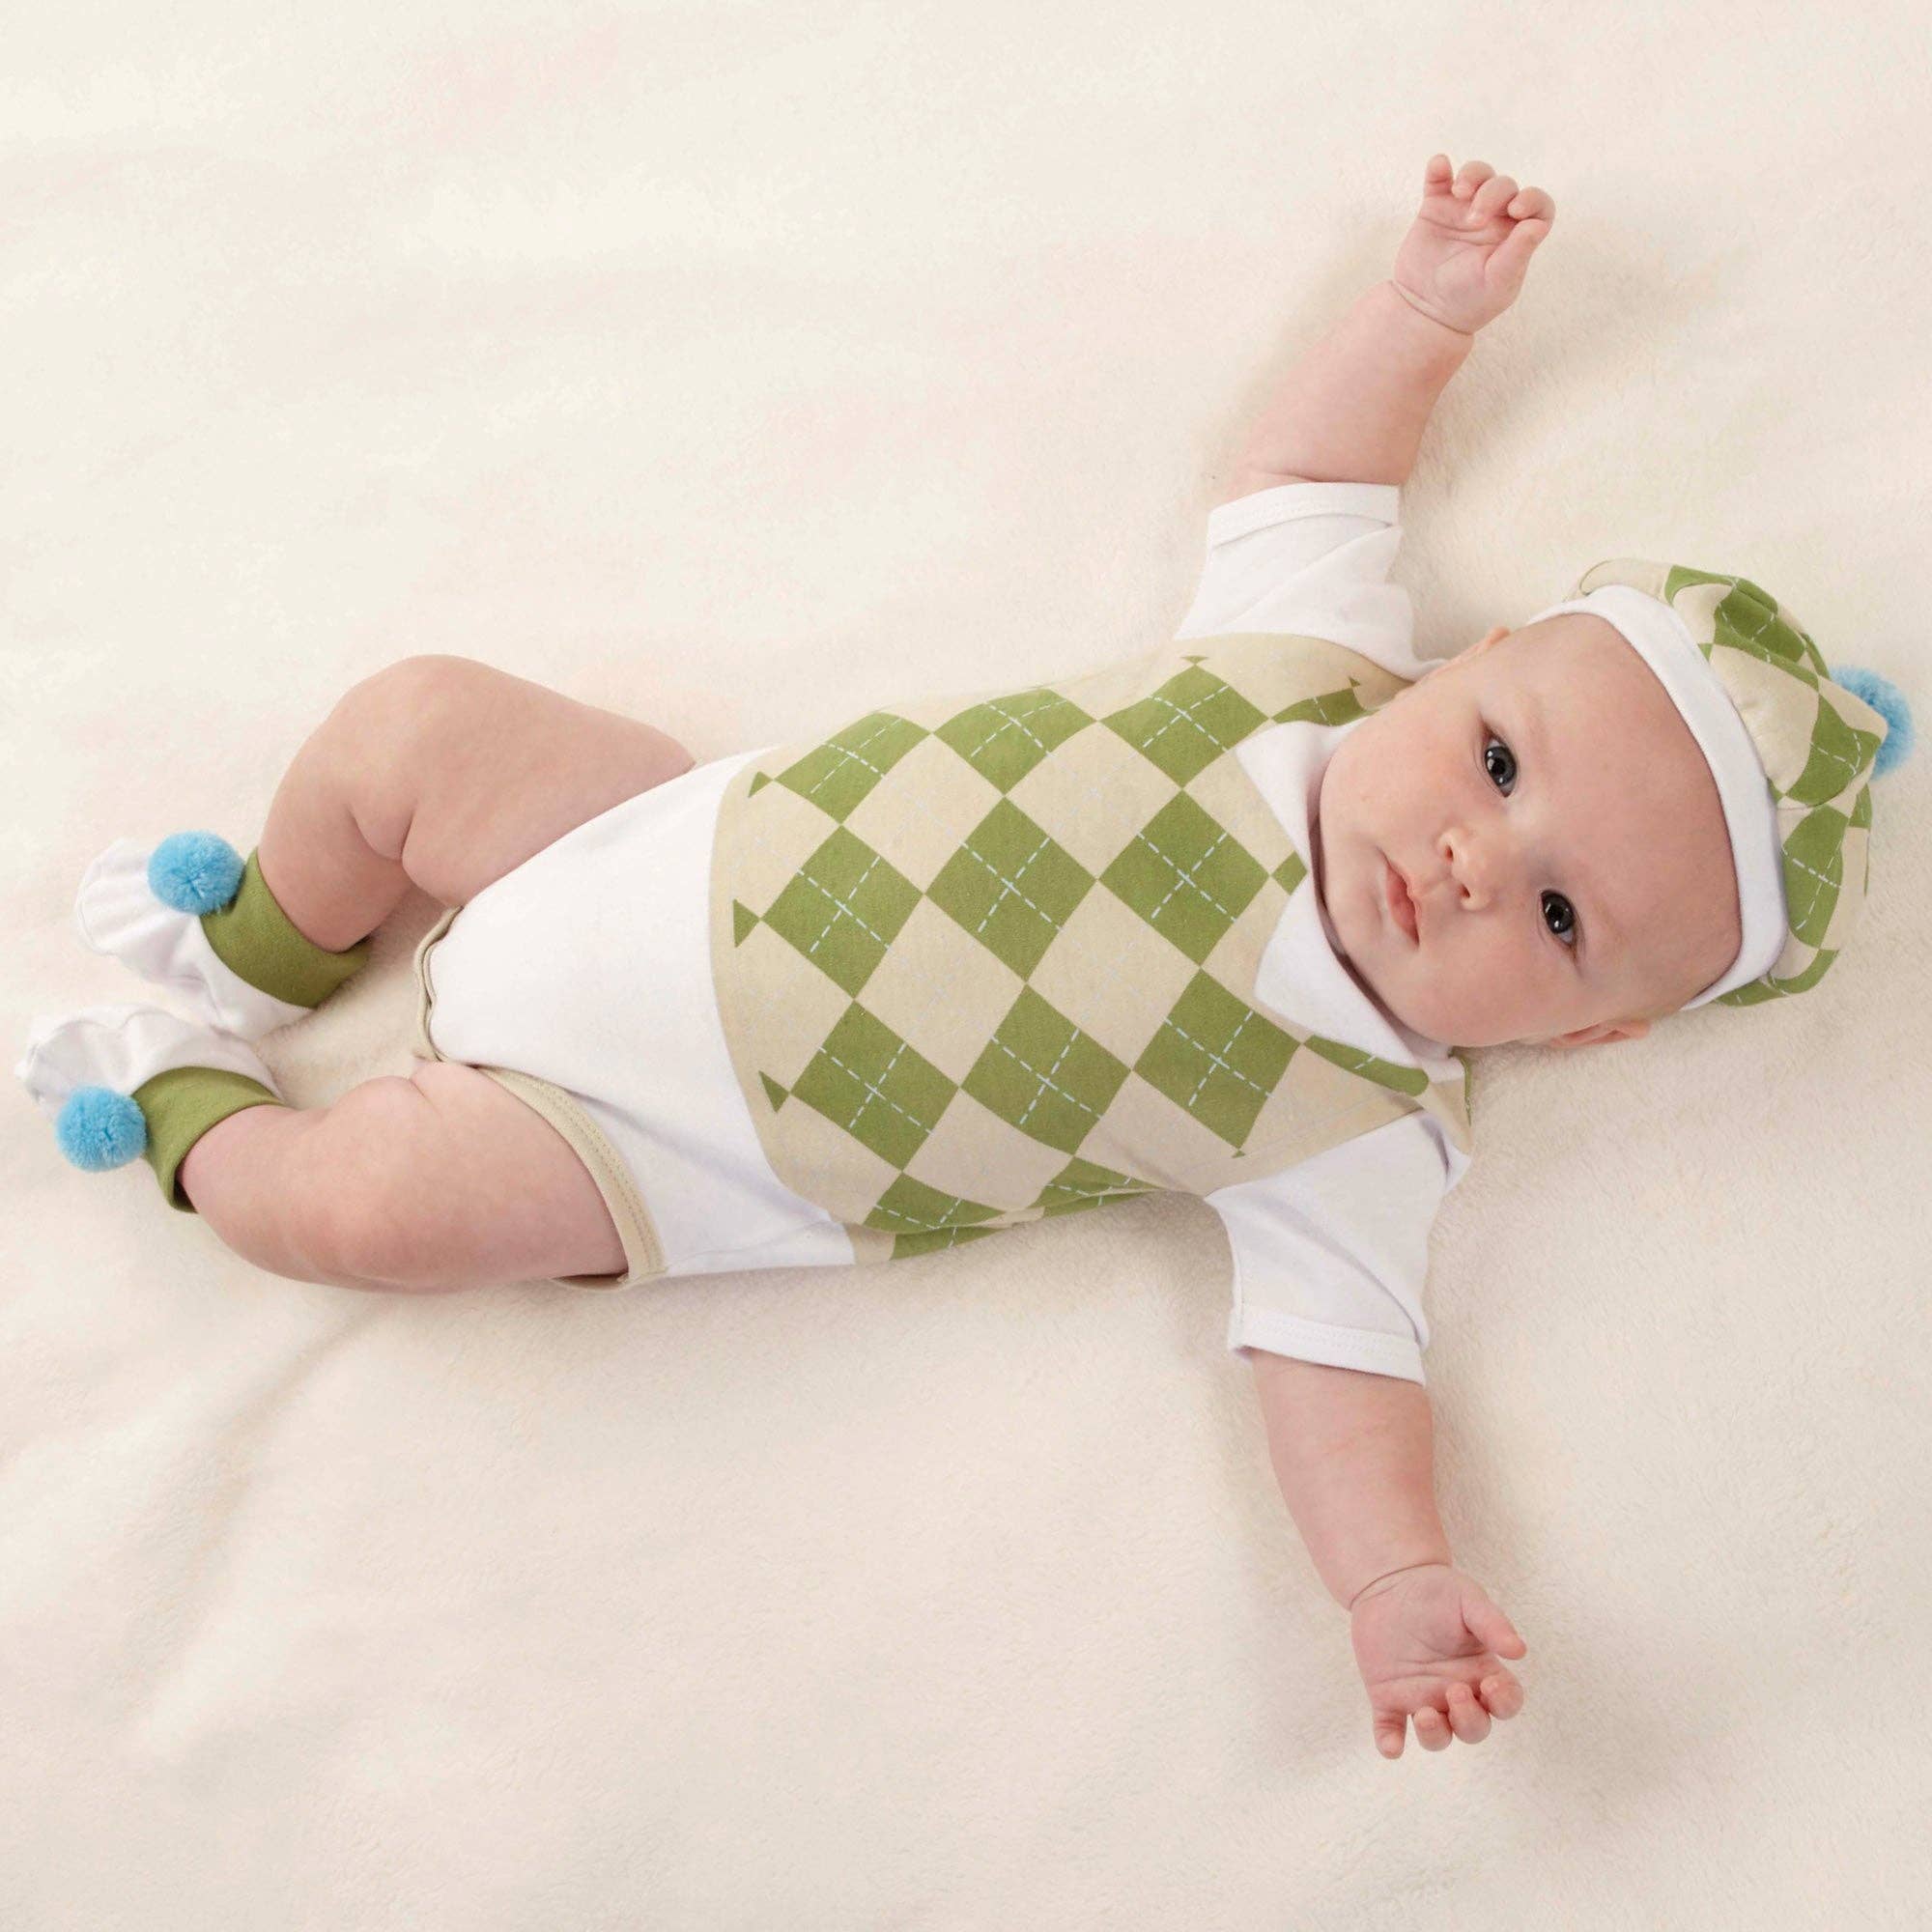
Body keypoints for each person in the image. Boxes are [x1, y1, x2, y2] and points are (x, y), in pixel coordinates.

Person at [17, 154, 1910, 1762]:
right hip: (633, 842)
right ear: (1460, 668)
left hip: (651, 1144)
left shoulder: (1359, 1122)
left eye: (1561, 920)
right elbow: (1312, 471)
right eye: (1495, 763)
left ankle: (184, 1106)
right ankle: (258, 942)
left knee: (362, 1211)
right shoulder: (1306, 657)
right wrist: (1423, 313)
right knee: (411, 725)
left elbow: (1340, 1376)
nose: (1472, 861)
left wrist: (1395, 1580)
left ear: (1591, 1036)